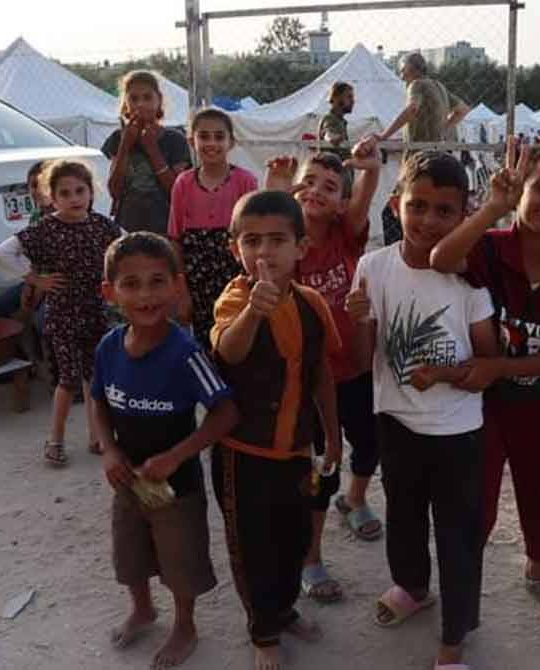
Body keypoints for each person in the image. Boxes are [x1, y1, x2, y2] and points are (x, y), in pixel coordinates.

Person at [345, 151, 497, 670]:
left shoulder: (469, 278)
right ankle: (412, 587)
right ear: (396, 205)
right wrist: (361, 319)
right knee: (405, 520)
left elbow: (488, 359)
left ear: (464, 213)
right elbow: (365, 357)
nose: (428, 220)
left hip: (458, 432)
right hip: (395, 421)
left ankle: (454, 640)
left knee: (458, 537)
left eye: (444, 211)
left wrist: (445, 375)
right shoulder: (373, 266)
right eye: (418, 206)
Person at [430, 141, 540, 617]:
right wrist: (493, 208)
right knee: (475, 497)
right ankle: (466, 574)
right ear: (521, 187)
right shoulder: (487, 249)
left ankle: (537, 568)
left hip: (538, 406)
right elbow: (440, 258)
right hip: (480, 408)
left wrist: (500, 365)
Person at [92, 232, 238, 670]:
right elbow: (98, 399)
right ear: (110, 292)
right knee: (130, 550)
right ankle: (142, 609)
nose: (146, 294)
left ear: (176, 286)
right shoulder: (108, 347)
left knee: (180, 561)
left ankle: (185, 625)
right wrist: (109, 451)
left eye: (157, 282)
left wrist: (177, 455)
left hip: (177, 488)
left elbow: (226, 414)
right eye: (131, 284)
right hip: (127, 481)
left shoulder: (185, 352)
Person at [210, 190, 342, 670]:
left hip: (296, 451)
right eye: (252, 241)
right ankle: (263, 631)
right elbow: (229, 350)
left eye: (278, 240)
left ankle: (284, 611)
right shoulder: (235, 299)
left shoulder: (310, 303)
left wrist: (333, 434)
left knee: (293, 538)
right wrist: (255, 311)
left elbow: (321, 374)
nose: (264, 252)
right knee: (251, 548)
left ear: (301, 248)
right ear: (234, 248)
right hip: (243, 453)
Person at [264, 139, 383, 604]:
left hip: (352, 366)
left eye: (330, 187)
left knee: (370, 442)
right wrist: (275, 189)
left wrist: (370, 172)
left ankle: (354, 499)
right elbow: (260, 239)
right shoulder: (286, 236)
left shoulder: (344, 232)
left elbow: (363, 198)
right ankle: (311, 555)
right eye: (308, 182)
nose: (316, 191)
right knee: (319, 466)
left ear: (341, 201)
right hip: (308, 376)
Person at [0, 159, 122, 466]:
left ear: (92, 192)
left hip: (95, 312)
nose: (74, 198)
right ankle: (56, 439)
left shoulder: (102, 225)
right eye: (65, 193)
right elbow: (2, 253)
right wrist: (34, 278)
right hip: (63, 316)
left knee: (95, 378)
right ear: (52, 197)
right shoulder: (44, 229)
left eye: (80, 190)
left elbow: (128, 246)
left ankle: (96, 437)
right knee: (67, 380)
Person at [168, 108, 258, 352]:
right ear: (191, 141)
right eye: (204, 136)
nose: (211, 143)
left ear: (231, 142)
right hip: (197, 283)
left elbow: (254, 237)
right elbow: (175, 239)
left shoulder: (245, 181)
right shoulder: (183, 184)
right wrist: (182, 291)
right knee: (205, 348)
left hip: (236, 278)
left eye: (219, 137)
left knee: (240, 342)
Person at [103, 70, 192, 236]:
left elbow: (177, 191)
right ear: (125, 104)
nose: (141, 104)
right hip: (128, 227)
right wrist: (125, 145)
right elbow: (114, 190)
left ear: (159, 101)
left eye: (147, 97)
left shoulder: (174, 139)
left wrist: (152, 149)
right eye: (134, 99)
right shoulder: (117, 139)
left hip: (166, 227)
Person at [0, 160, 53, 323]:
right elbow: (33, 260)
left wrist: (36, 293)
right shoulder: (37, 216)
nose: (38, 191)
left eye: (44, 185)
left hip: (60, 286)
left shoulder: (63, 219)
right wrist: (30, 286)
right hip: (39, 281)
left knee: (41, 320)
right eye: (33, 185)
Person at [375, 52, 470, 157]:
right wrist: (442, 130)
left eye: (402, 71)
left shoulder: (416, 84)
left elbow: (412, 109)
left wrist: (384, 135)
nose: (401, 77)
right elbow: (463, 109)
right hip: (438, 151)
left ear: (411, 68)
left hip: (419, 154)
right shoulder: (438, 86)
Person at [318, 82, 354, 161]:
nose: (353, 101)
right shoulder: (329, 118)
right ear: (336, 98)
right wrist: (332, 137)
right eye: (349, 97)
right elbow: (327, 132)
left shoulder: (341, 121)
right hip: (332, 170)